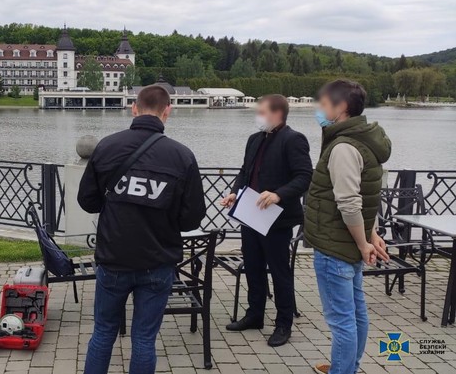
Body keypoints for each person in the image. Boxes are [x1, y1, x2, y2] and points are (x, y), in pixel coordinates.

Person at [78, 85, 207, 374]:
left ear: (134, 108)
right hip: (157, 261)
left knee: (103, 333)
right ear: (167, 111)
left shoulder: (107, 146)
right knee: (144, 339)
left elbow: (87, 201)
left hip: (114, 258)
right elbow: (192, 218)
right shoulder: (182, 156)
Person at [304, 80, 391, 374]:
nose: (319, 109)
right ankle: (347, 366)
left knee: (342, 319)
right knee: (355, 312)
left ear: (341, 107)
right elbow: (368, 196)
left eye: (323, 104)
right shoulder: (365, 141)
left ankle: (343, 370)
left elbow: (350, 203)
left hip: (335, 247)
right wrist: (370, 235)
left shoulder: (343, 147)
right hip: (348, 243)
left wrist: (365, 242)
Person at [220, 94, 312, 347]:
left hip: (277, 219)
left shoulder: (293, 139)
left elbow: (304, 177)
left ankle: (283, 324)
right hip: (250, 214)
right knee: (253, 267)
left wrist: (278, 194)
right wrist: (235, 193)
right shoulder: (254, 139)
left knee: (280, 272)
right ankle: (255, 315)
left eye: (262, 112)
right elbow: (245, 172)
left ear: (277, 114)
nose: (258, 116)